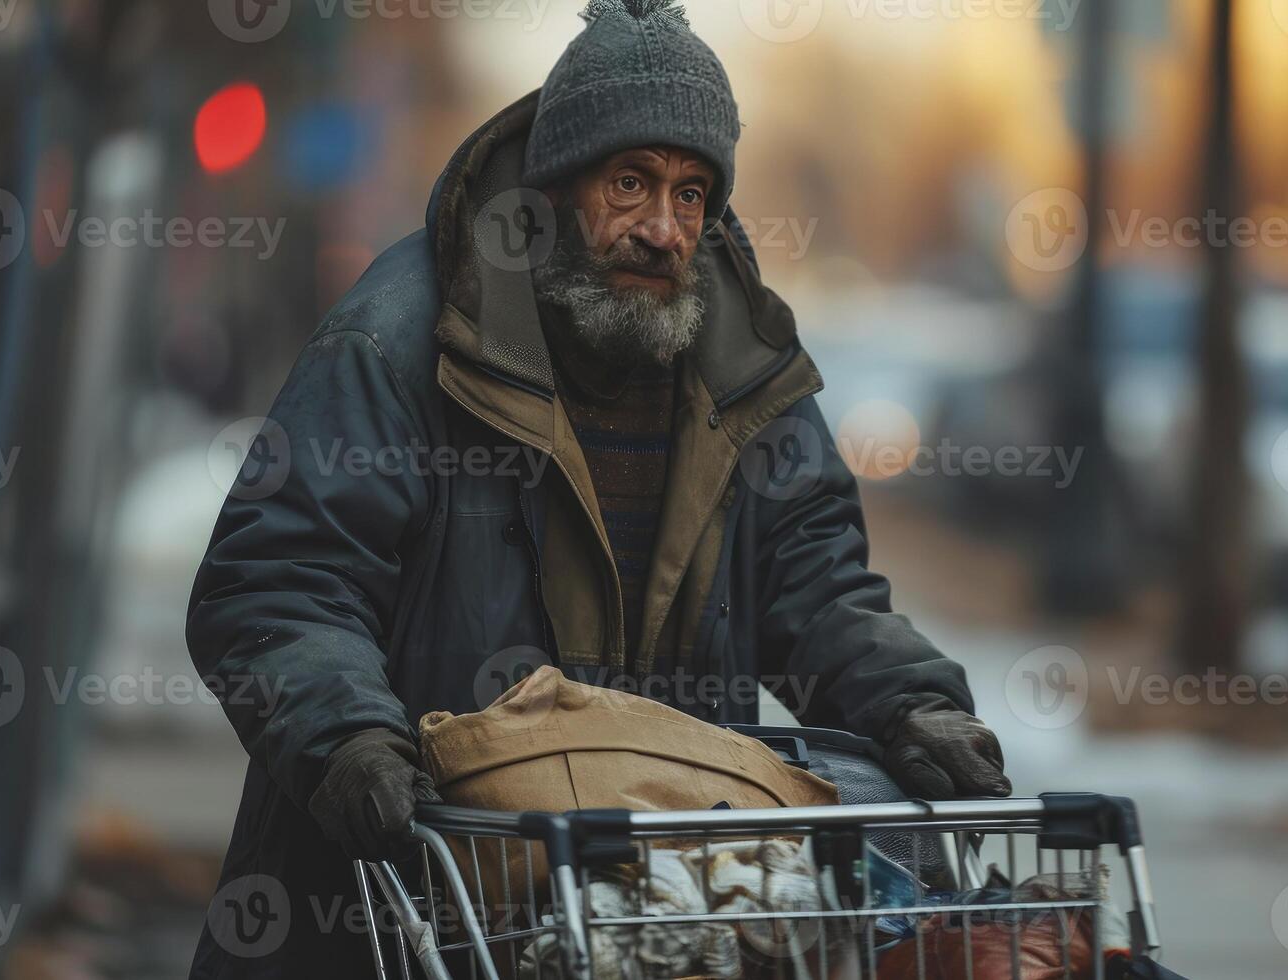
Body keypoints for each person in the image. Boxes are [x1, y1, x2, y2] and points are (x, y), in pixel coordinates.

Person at [185, 2, 1008, 975]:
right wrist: (346, 736)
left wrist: (911, 703)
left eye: (693, 192)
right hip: (406, 913)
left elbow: (815, 587)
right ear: (554, 189)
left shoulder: (745, 374)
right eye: (631, 183)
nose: (665, 228)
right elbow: (280, 578)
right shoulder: (402, 337)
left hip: (645, 917)